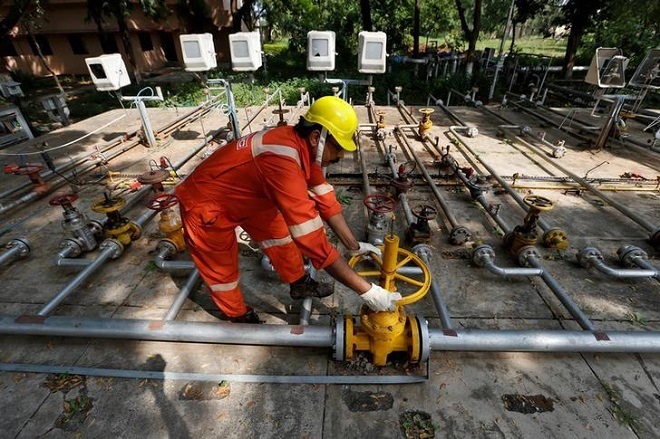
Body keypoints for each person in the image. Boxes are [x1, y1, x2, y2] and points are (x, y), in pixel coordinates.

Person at [175, 96, 401, 323]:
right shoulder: (282, 160)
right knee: (221, 270)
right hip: (207, 203)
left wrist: (353, 245)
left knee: (281, 239)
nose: (341, 156)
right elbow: (312, 240)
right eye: (339, 148)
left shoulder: (303, 148)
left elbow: (326, 200)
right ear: (317, 138)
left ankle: (299, 284)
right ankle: (238, 315)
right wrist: (368, 291)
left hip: (250, 196)